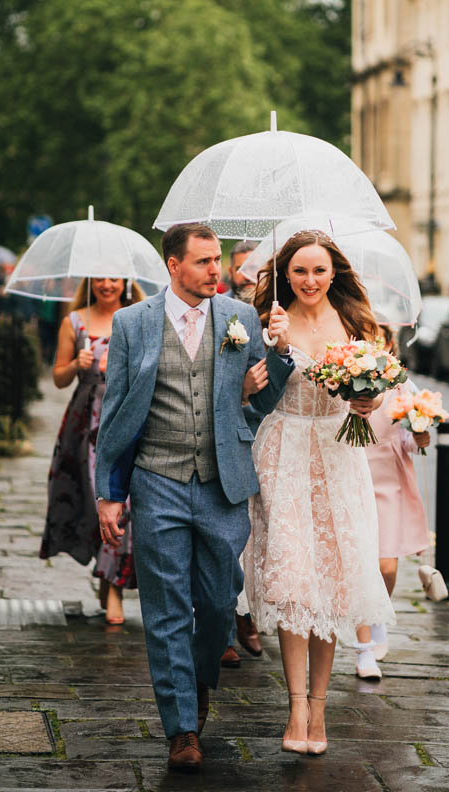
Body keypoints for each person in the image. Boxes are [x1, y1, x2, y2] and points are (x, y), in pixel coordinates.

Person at [95, 224, 293, 773]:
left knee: (216, 603)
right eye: (203, 262)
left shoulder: (241, 318)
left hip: (222, 483)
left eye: (217, 261)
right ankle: (181, 727)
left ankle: (201, 679)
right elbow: (113, 413)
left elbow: (264, 403)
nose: (216, 270)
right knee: (164, 610)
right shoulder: (132, 324)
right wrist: (108, 493)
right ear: (173, 265)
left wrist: (276, 357)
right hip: (156, 480)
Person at [242, 230, 394, 756]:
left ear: (335, 274)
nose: (310, 280)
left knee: (329, 582)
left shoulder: (355, 324)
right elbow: (249, 392)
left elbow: (374, 388)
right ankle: (295, 709)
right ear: (285, 274)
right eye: (300, 271)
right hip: (282, 452)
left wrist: (367, 402)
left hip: (337, 454)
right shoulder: (266, 322)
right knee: (291, 582)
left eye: (319, 271)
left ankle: (321, 712)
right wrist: (275, 347)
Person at [40, 275, 143, 625]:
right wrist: (77, 365)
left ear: (126, 282)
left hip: (126, 423)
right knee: (95, 503)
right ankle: (106, 576)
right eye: (99, 278)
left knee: (122, 502)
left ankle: (113, 587)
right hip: (86, 426)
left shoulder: (138, 317)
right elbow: (57, 378)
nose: (107, 284)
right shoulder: (75, 322)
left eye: (114, 278)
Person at [354, 324, 431, 680]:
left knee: (385, 568)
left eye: (380, 339)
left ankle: (379, 614)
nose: (375, 345)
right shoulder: (346, 381)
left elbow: (413, 442)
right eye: (367, 339)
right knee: (359, 565)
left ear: (390, 345)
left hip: (386, 481)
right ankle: (364, 651)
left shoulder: (401, 384)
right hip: (353, 475)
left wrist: (420, 435)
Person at [221, 238, 263, 667]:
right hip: (236, 428)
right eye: (241, 269)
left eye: (255, 269)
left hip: (274, 426)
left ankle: (252, 612)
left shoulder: (282, 310)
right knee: (234, 527)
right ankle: (234, 618)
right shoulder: (228, 314)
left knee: (262, 528)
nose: (248, 276)